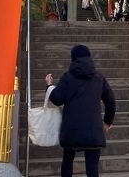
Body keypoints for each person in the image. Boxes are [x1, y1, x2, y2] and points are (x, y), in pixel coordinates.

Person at [46, 44, 116, 177]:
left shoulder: (67, 77)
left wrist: (49, 86)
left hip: (72, 129)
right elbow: (110, 101)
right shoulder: (99, 78)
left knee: (67, 161)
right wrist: (108, 121)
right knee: (92, 169)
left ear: (73, 58)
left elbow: (57, 99)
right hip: (93, 129)